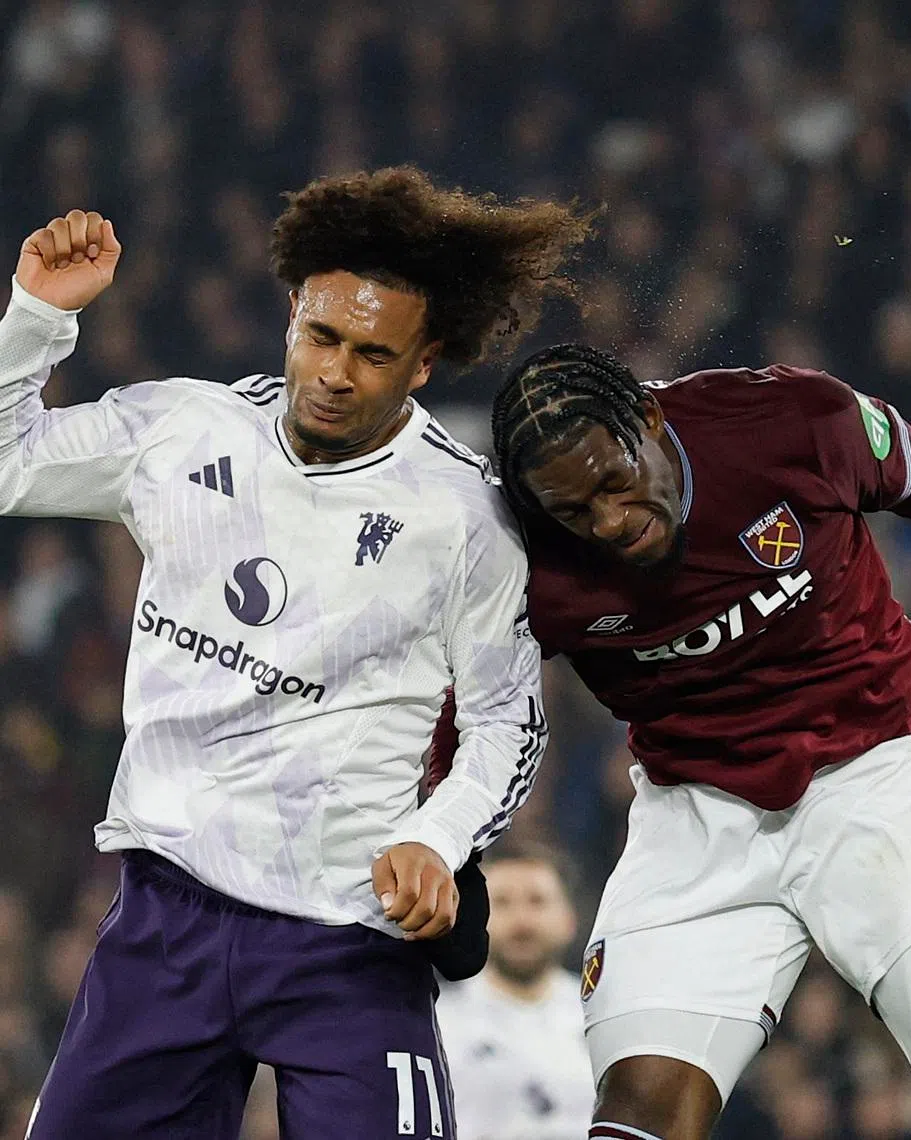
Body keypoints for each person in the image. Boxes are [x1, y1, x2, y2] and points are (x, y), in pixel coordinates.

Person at [0, 167, 590, 1139]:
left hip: (348, 938)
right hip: (166, 913)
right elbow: (11, 464)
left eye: (372, 352)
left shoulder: (465, 519)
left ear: (424, 364)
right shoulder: (182, 430)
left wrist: (438, 842)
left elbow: (506, 724)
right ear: (291, 316)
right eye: (321, 336)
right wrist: (35, 317)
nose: (335, 372)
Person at [489, 342, 911, 1140]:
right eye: (573, 512)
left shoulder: (791, 422)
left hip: (882, 775)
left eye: (614, 483)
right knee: (635, 1117)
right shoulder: (515, 551)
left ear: (650, 418)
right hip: (696, 817)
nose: (608, 523)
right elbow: (468, 704)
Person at [434, 842, 595, 1140]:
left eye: (537, 901)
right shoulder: (437, 1023)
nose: (522, 921)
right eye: (503, 902)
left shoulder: (603, 1017)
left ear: (569, 919)